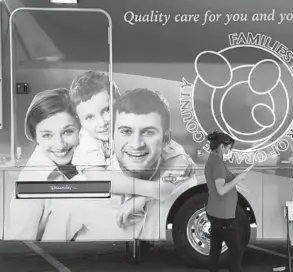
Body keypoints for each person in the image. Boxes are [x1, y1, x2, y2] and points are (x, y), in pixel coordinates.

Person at [47, 88, 197, 240]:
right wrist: (152, 191)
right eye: (126, 131)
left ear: (166, 139)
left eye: (148, 132)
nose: (136, 144)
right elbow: (48, 250)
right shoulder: (77, 196)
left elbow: (182, 162)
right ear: (111, 136)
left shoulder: (183, 184)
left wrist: (143, 197)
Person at [7, 88, 82, 240]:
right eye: (47, 135)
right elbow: (20, 251)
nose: (60, 145)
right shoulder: (30, 183)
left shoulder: (85, 160)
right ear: (35, 137)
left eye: (68, 132)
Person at [204, 131, 248, 272]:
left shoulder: (213, 159)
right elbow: (221, 189)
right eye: (229, 148)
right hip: (223, 215)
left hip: (215, 211)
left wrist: (234, 177)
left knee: (215, 250)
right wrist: (238, 179)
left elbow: (221, 180)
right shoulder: (217, 163)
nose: (230, 151)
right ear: (222, 146)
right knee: (237, 251)